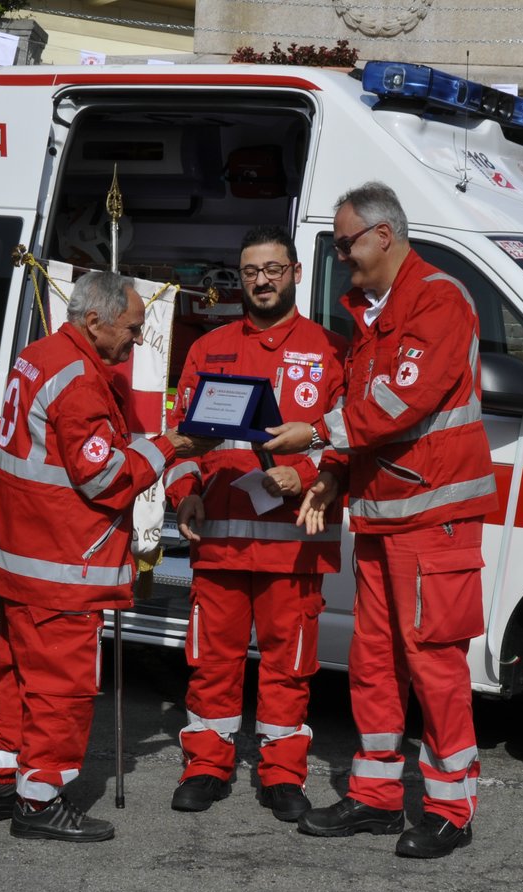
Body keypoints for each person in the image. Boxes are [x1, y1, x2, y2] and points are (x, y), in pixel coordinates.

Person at [265, 181, 497, 859]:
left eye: (345, 243)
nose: (340, 257)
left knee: (434, 665)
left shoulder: (438, 299)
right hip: (383, 516)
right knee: (372, 663)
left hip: (432, 515)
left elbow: (400, 401)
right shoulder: (375, 312)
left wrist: (313, 437)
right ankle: (375, 795)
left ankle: (451, 808)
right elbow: (366, 419)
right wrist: (334, 470)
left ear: (383, 236)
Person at [0, 271, 213, 842]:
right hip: (61, 560)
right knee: (61, 686)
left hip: (19, 555)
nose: (135, 340)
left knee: (20, 678)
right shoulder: (79, 378)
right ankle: (39, 799)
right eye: (131, 329)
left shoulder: (41, 356)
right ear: (94, 320)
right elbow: (104, 479)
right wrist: (169, 445)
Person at [163, 226, 348, 820]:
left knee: (289, 664)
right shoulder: (207, 348)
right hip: (217, 537)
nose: (262, 281)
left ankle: (282, 774)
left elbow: (351, 442)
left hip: (294, 546)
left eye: (272, 269)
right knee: (210, 660)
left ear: (295, 272)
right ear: (239, 278)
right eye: (250, 272)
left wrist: (314, 474)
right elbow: (181, 440)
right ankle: (206, 766)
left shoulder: (330, 351)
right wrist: (186, 491)